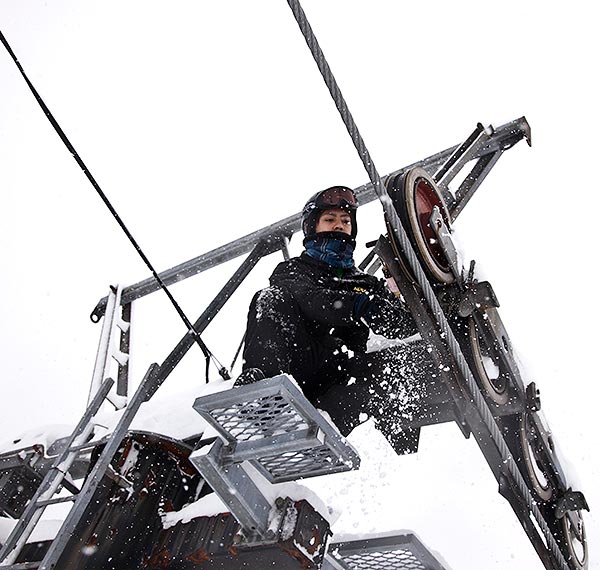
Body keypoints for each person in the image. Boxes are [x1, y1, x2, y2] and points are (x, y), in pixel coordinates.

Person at [238, 185, 432, 452]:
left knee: (388, 366)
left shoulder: (367, 284)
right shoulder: (294, 270)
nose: (339, 226)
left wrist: (402, 293)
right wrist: (358, 306)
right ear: (312, 227)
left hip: (339, 380)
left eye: (345, 221)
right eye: (329, 220)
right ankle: (265, 396)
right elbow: (310, 298)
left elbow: (401, 325)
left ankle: (400, 451)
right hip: (302, 365)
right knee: (269, 298)